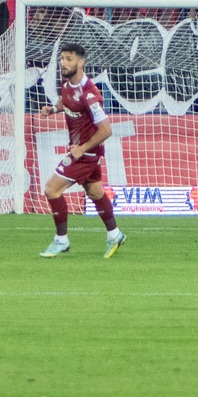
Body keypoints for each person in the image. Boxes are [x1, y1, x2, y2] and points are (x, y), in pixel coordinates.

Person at [37, 42, 125, 258]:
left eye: (69, 59)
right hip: (82, 151)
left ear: (81, 62)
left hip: (86, 154)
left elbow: (106, 130)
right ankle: (115, 234)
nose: (63, 63)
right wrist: (54, 109)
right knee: (95, 192)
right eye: (62, 58)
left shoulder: (90, 94)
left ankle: (61, 240)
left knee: (51, 189)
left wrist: (82, 149)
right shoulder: (67, 84)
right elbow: (66, 100)